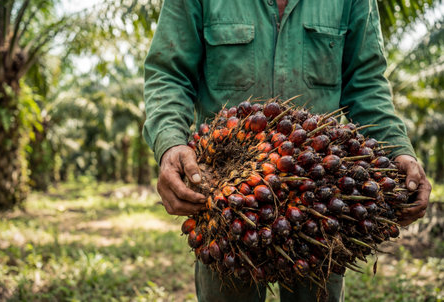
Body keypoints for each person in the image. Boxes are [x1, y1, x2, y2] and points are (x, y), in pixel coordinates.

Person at [143, 0, 432, 301]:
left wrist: (400, 152)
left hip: (321, 199)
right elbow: (168, 75)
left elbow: (367, 85)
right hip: (224, 205)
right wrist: (170, 144)